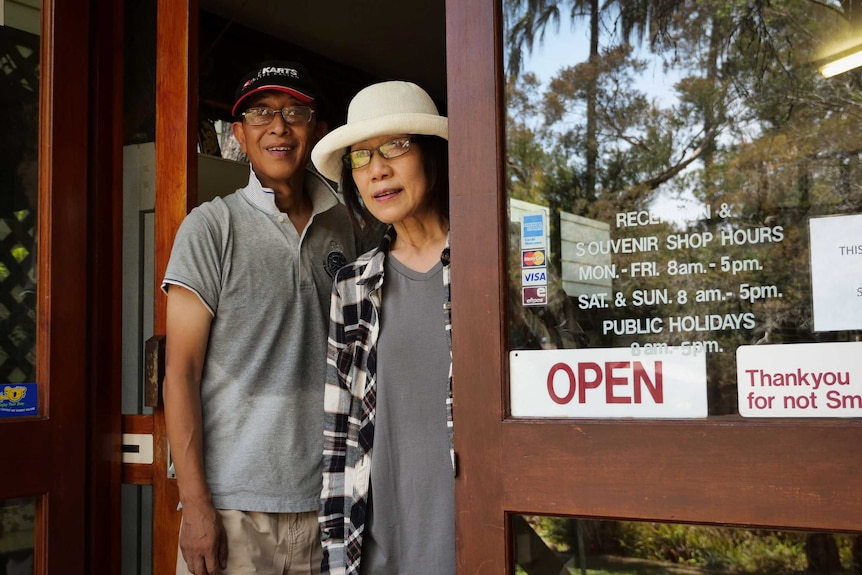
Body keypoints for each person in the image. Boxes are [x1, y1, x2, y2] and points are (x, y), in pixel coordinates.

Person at [162, 61, 357, 575]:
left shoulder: (348, 228)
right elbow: (178, 373)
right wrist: (196, 503)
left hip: (329, 501)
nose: (278, 126)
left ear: (316, 130)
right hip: (233, 510)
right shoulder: (211, 228)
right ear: (239, 134)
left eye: (294, 112)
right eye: (261, 113)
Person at [310, 81, 453, 574]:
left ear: (431, 154)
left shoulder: (494, 265)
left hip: (479, 541)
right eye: (362, 156)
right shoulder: (353, 284)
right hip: (376, 553)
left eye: (396, 145)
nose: (378, 168)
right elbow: (339, 435)